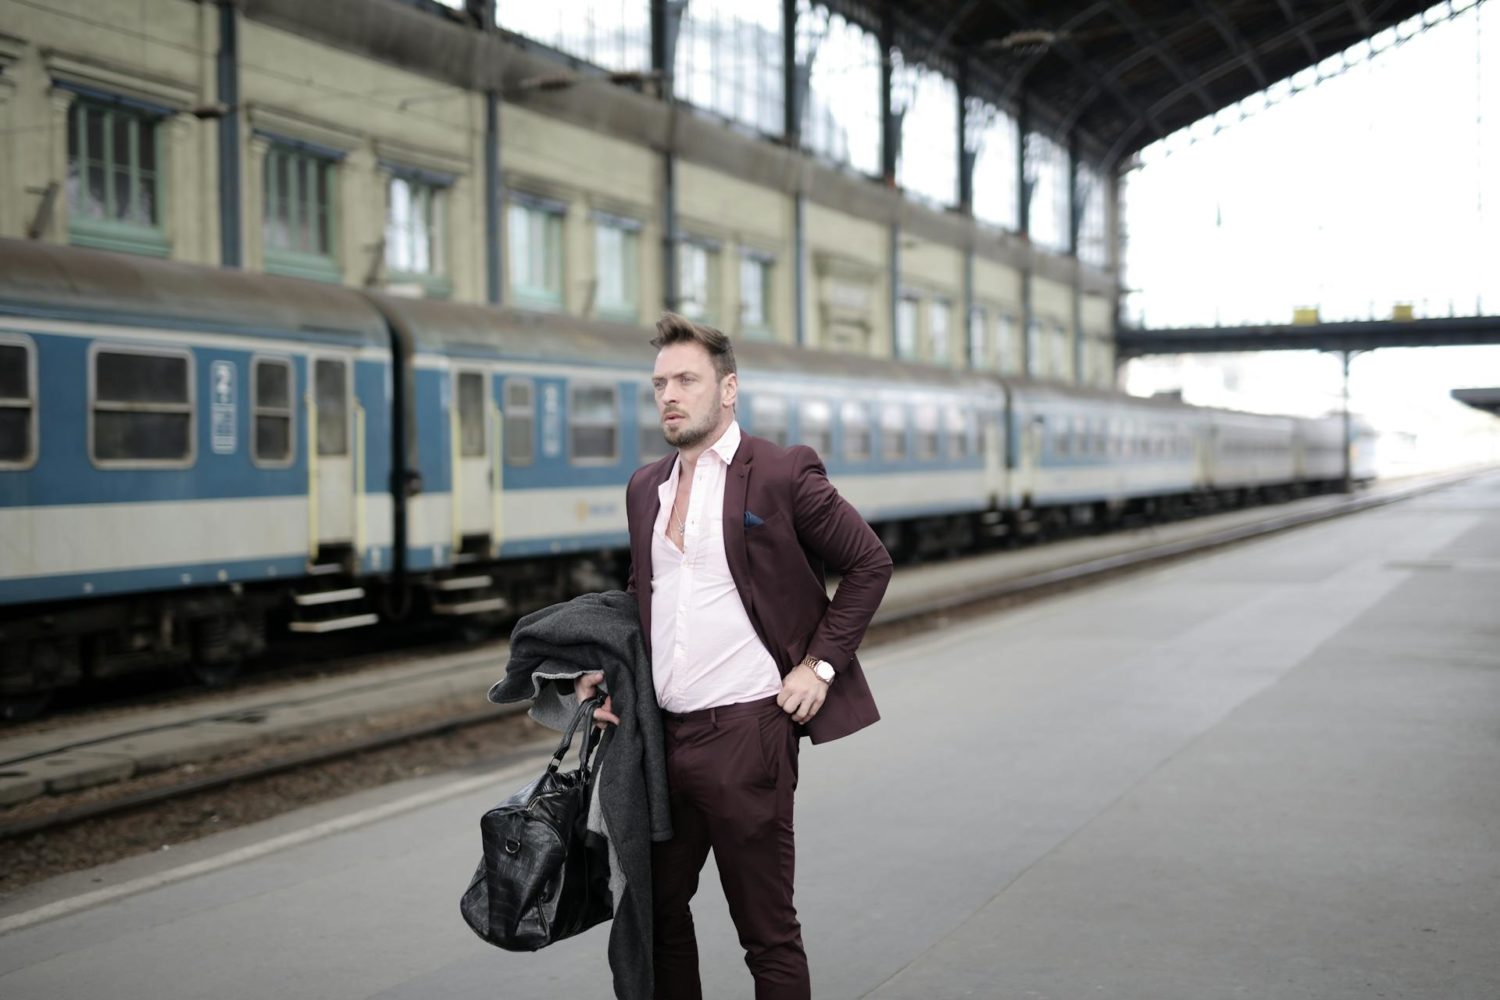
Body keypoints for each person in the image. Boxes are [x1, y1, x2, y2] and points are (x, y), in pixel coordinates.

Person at [578, 312, 893, 1000]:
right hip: (661, 740)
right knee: (656, 914)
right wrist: (618, 680)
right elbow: (647, 598)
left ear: (728, 390)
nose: (669, 394)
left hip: (748, 735)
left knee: (766, 933)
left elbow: (869, 562)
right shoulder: (645, 487)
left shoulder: (781, 473)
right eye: (660, 382)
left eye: (686, 379)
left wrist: (820, 667)